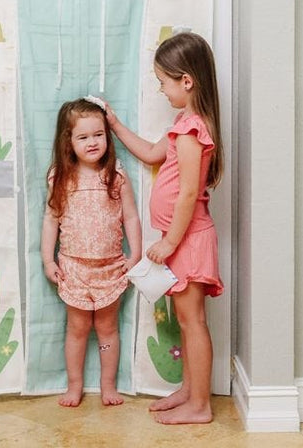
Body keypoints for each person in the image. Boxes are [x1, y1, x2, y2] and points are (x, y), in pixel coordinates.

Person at [105, 31, 224, 425]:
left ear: (185, 80)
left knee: (193, 322)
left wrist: (170, 241)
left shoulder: (192, 130)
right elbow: (152, 153)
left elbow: (189, 192)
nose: (161, 90)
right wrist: (115, 125)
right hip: (180, 240)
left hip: (187, 240)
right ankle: (190, 391)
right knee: (186, 322)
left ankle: (200, 405)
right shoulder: (182, 123)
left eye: (163, 82)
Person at [41, 97, 142, 408]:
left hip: (111, 268)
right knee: (78, 329)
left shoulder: (116, 175)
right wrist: (48, 259)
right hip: (73, 268)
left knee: (107, 329)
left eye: (98, 134)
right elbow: (51, 219)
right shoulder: (60, 177)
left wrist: (135, 254)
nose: (93, 142)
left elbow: (130, 217)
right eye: (83, 137)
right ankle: (74, 386)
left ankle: (108, 385)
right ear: (68, 141)